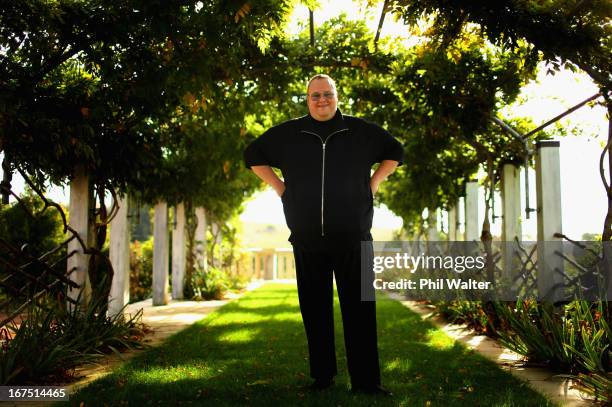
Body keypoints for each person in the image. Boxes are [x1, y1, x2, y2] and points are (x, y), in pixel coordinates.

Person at [244, 74, 403, 395]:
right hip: (306, 238)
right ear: (307, 99)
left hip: (354, 237)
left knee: (360, 311)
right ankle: (323, 376)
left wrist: (372, 184)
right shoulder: (289, 133)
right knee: (315, 310)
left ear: (337, 96)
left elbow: (395, 151)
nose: (321, 100)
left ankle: (367, 381)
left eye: (327, 94)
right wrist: (281, 190)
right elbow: (253, 155)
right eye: (315, 95)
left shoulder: (361, 132)